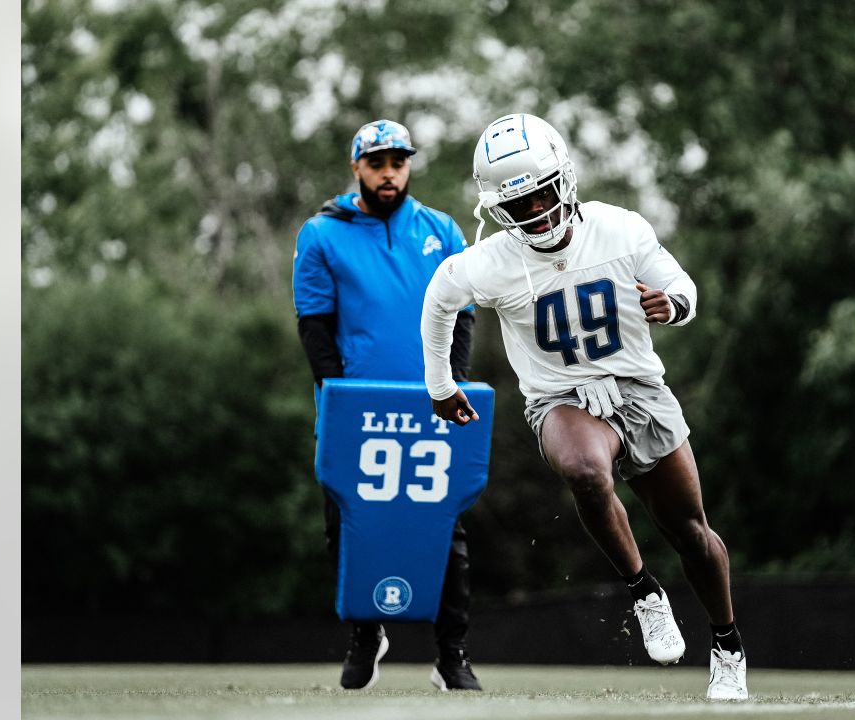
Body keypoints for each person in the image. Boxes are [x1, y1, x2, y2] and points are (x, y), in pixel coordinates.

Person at [420, 113, 748, 701]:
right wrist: (441, 383)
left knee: (691, 533)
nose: (537, 213)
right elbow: (439, 299)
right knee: (586, 472)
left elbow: (684, 287)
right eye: (518, 206)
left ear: (565, 180)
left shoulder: (619, 229)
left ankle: (727, 644)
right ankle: (644, 591)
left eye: (543, 194)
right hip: (560, 398)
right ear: (498, 209)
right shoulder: (492, 261)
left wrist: (671, 306)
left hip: (639, 390)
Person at [292, 119, 481, 692]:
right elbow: (315, 327)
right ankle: (364, 635)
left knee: (446, 531)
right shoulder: (323, 233)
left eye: (398, 161)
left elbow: (464, 318)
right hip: (356, 413)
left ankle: (452, 656)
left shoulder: (442, 230)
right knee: (347, 528)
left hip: (430, 408)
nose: (389, 172)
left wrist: (452, 388)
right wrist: (340, 399)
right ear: (357, 168)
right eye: (377, 163)